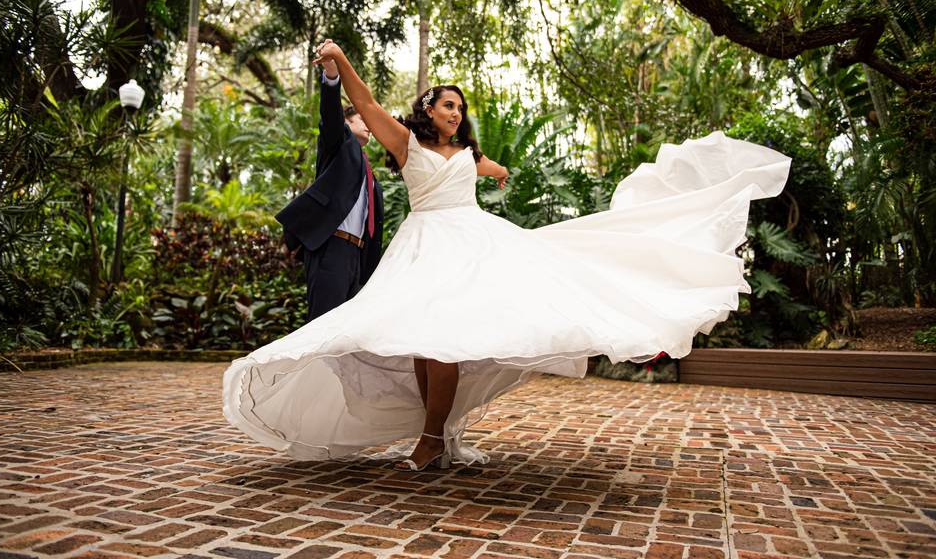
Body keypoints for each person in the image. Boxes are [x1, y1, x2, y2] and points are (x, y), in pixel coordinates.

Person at [223, 41, 792, 472]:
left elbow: (489, 168)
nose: (455, 112)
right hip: (424, 246)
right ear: (427, 108)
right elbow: (366, 101)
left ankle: (432, 437)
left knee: (443, 337)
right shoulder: (405, 144)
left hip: (473, 242)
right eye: (448, 104)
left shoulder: (468, 150)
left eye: (460, 107)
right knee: (427, 342)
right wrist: (341, 61)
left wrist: (498, 174)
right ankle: (437, 434)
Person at [274, 51, 383, 322]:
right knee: (322, 328)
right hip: (330, 249)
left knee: (346, 335)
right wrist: (332, 76)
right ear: (347, 123)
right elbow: (330, 115)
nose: (370, 126)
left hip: (356, 257)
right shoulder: (338, 144)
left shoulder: (369, 173)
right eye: (362, 119)